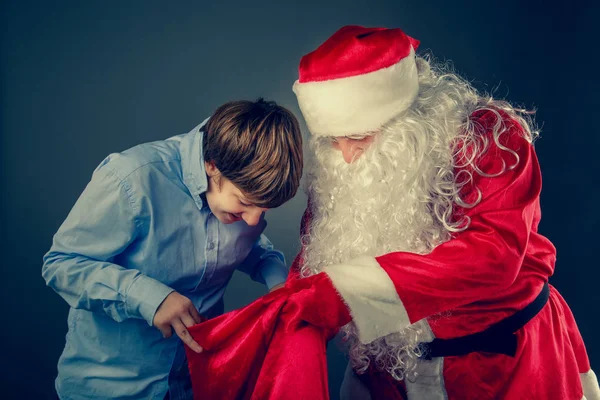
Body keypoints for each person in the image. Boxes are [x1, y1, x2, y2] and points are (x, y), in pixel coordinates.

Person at [286, 25, 600, 399]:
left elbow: (494, 254)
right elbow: (319, 254)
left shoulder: (491, 139)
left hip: (498, 366)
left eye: (358, 137)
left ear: (406, 119)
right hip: (390, 373)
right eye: (332, 139)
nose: (347, 155)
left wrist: (344, 290)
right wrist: (282, 311)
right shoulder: (340, 160)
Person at [41, 98, 303, 400]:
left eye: (265, 210)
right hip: (111, 388)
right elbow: (62, 264)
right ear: (212, 165)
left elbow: (251, 245)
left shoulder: (244, 199)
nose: (254, 219)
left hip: (195, 385)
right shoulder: (132, 178)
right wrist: (148, 296)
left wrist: (280, 283)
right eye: (244, 203)